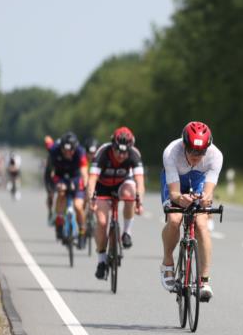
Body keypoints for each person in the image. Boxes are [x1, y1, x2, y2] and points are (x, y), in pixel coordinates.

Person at [160, 121, 223, 301]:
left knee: (202, 224)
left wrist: (205, 199)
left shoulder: (216, 155)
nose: (196, 156)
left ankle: (204, 280)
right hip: (175, 182)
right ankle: (167, 262)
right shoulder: (171, 152)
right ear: (184, 145)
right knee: (174, 219)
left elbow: (208, 191)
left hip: (198, 181)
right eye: (192, 151)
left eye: (201, 152)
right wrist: (180, 199)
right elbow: (174, 193)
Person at [87, 127, 146, 280]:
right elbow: (92, 179)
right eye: (118, 151)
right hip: (102, 187)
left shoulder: (134, 154)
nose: (121, 155)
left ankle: (127, 232)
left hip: (123, 183)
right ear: (112, 146)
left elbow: (140, 182)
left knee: (130, 194)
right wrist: (91, 199)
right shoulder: (102, 152)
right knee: (102, 222)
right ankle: (101, 260)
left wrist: (139, 202)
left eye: (125, 152)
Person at [46, 132, 89, 244]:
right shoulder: (54, 150)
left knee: (78, 206)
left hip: (76, 177)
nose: (68, 153)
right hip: (60, 176)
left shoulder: (80, 152)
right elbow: (50, 172)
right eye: (65, 151)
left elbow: (84, 172)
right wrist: (54, 185)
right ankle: (59, 222)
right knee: (61, 193)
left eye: (71, 151)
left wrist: (86, 186)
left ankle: (82, 230)